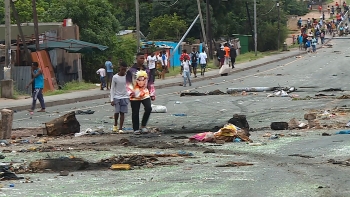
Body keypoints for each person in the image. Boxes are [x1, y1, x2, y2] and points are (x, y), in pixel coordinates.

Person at [126, 53, 155, 135]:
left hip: (145, 93)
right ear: (137, 58)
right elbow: (128, 83)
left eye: (143, 58)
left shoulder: (147, 70)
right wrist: (130, 92)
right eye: (141, 58)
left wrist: (152, 93)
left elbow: (150, 82)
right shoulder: (131, 71)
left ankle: (143, 125)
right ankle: (136, 128)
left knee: (148, 108)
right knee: (135, 111)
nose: (142, 60)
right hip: (135, 94)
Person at [110, 62, 129, 134]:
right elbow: (112, 88)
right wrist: (112, 99)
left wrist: (130, 95)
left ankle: (120, 128)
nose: (123, 71)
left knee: (122, 113)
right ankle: (115, 125)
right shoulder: (115, 77)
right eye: (122, 69)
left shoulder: (127, 77)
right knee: (117, 112)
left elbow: (130, 87)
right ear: (119, 68)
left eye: (125, 69)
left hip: (125, 97)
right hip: (117, 97)